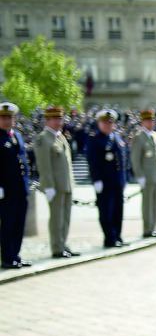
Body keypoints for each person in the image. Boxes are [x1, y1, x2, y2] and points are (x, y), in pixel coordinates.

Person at [32, 106, 77, 258]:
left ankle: (63, 243)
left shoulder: (60, 137)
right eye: (55, 119)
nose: (59, 122)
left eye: (60, 119)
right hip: (55, 185)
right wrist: (48, 185)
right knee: (56, 218)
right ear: (47, 120)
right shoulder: (43, 138)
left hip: (66, 184)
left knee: (65, 217)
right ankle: (57, 247)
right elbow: (44, 165)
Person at [87, 109, 128, 247]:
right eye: (104, 123)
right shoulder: (95, 139)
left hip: (117, 181)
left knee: (118, 210)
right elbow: (93, 161)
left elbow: (122, 161)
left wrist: (123, 179)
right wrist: (96, 179)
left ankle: (117, 235)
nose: (107, 125)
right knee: (106, 211)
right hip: (105, 182)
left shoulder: (116, 138)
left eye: (110, 123)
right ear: (99, 123)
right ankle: (109, 237)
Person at [0, 102, 31, 269]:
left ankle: (15, 255)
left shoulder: (16, 136)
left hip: (20, 188)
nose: (7, 121)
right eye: (4, 118)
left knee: (19, 224)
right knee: (7, 224)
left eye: (10, 118)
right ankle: (7, 257)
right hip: (6, 190)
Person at [130, 108, 156, 237]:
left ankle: (154, 226)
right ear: (143, 122)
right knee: (147, 204)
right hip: (146, 175)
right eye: (148, 121)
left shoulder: (154, 135)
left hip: (155, 175)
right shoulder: (139, 136)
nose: (151, 123)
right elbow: (135, 158)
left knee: (155, 202)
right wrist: (139, 175)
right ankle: (147, 228)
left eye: (152, 120)